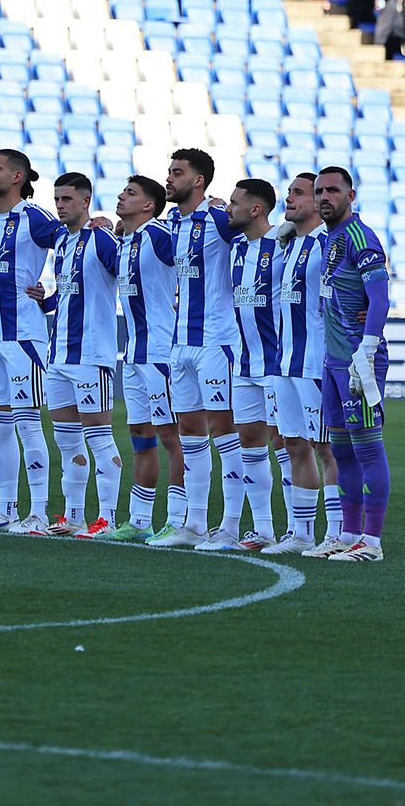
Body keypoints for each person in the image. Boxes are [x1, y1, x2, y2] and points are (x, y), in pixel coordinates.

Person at [0, 149, 60, 535]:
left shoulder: (35, 217)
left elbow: (72, 247)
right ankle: (5, 509)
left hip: (25, 339)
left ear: (17, 177)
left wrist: (51, 298)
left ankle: (38, 513)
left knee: (28, 424)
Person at [147, 149, 241, 549]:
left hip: (216, 343)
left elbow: (262, 233)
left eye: (177, 172)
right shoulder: (172, 223)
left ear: (198, 181)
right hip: (180, 344)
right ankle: (195, 524)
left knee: (224, 432)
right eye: (169, 171)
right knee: (189, 434)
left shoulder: (220, 218)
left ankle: (233, 526)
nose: (169, 178)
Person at [26, 173, 121, 538]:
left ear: (86, 200)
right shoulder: (63, 242)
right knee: (67, 440)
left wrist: (114, 228)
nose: (60, 205)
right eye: (57, 199)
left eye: (67, 199)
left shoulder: (101, 237)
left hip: (92, 356)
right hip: (60, 355)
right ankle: (73, 515)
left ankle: (108, 519)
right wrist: (45, 299)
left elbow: (125, 272)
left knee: (99, 436)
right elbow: (70, 293)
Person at [304, 167, 390, 563]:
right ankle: (349, 533)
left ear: (350, 195)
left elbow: (380, 298)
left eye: (333, 190)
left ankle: (371, 543)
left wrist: (367, 351)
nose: (325, 196)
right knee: (341, 452)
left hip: (358, 361)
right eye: (319, 191)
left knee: (367, 449)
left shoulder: (360, 237)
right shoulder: (328, 238)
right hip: (333, 361)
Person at [263, 174, 339, 555]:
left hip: (314, 362)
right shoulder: (289, 245)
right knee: (293, 444)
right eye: (289, 192)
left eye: (298, 193)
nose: (288, 198)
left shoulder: (327, 245)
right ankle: (301, 533)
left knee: (326, 447)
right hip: (285, 361)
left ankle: (338, 532)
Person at [107, 174, 183, 543]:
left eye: (130, 193)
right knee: (140, 434)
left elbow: (189, 256)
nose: (122, 197)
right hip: (135, 354)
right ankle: (139, 520)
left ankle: (180, 518)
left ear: (149, 205)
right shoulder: (126, 242)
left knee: (173, 437)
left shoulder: (159, 235)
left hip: (161, 353)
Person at [208, 177, 281, 552]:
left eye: (235, 204)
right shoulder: (236, 245)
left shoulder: (283, 247)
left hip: (279, 363)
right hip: (244, 363)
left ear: (256, 209)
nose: (229, 209)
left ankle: (301, 530)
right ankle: (263, 530)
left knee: (286, 443)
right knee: (250, 441)